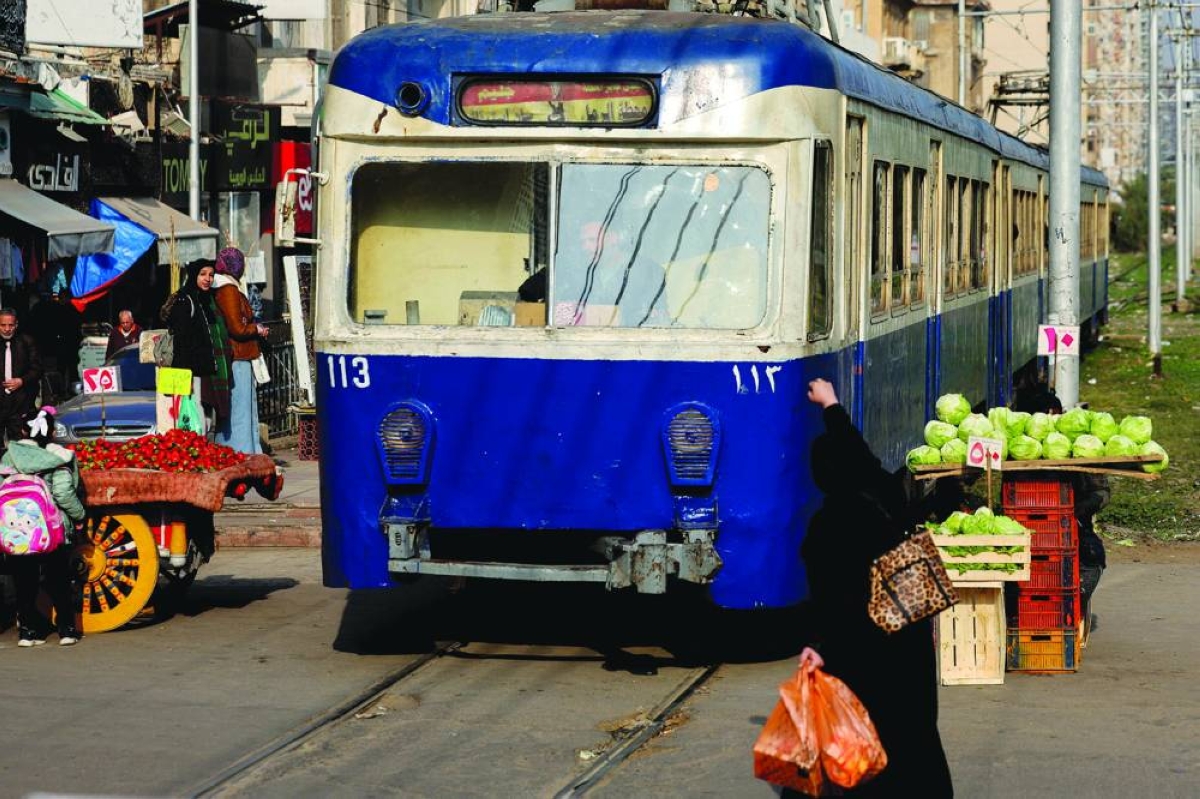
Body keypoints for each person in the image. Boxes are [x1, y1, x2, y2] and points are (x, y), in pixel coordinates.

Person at [792, 378, 953, 797]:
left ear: (819, 478)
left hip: (863, 646)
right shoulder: (884, 493)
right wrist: (832, 405)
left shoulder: (826, 529)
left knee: (867, 735)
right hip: (908, 639)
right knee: (915, 732)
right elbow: (857, 454)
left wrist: (816, 645)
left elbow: (832, 604)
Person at [1012, 381, 1110, 636]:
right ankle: (1018, 616)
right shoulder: (1016, 449)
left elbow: (1101, 492)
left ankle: (1073, 604)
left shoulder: (1074, 448)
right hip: (1023, 530)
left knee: (1092, 558)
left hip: (1070, 529)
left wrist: (1075, 510)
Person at [2, 406, 86, 646]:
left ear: (21, 430)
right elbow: (63, 493)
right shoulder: (57, 456)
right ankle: (67, 630)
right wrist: (79, 516)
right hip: (52, 529)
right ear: (50, 432)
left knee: (24, 580)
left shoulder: (9, 457)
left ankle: (28, 632)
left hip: (17, 531)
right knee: (58, 578)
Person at [162, 259, 231, 434]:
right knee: (194, 420)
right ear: (194, 276)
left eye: (211, 275)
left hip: (205, 372)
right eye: (203, 275)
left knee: (204, 421)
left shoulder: (206, 300)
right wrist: (187, 378)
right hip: (192, 373)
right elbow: (181, 340)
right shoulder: (186, 300)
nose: (207, 279)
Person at [211, 247, 267, 454]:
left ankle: (246, 450)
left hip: (238, 355)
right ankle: (240, 452)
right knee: (240, 409)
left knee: (241, 407)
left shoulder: (223, 287)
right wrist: (256, 329)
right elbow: (237, 327)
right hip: (239, 356)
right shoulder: (228, 290)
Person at [0, 309, 42, 452]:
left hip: (20, 402)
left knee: (20, 447)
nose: (7, 329)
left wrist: (21, 381)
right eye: (3, 325)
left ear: (16, 324)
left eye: (10, 325)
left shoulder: (26, 342)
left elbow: (37, 369)